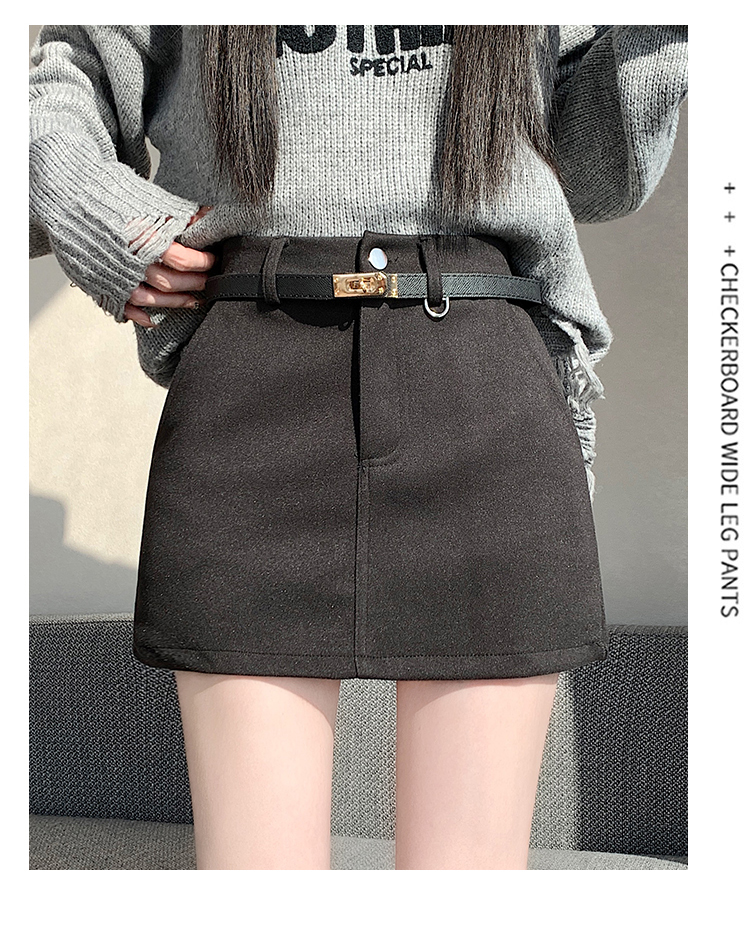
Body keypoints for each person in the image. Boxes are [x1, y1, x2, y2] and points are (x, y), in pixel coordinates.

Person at [29, 25, 688, 870]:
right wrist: (108, 221)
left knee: (466, 900)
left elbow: (592, 175)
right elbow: (61, 86)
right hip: (251, 384)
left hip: (485, 376)